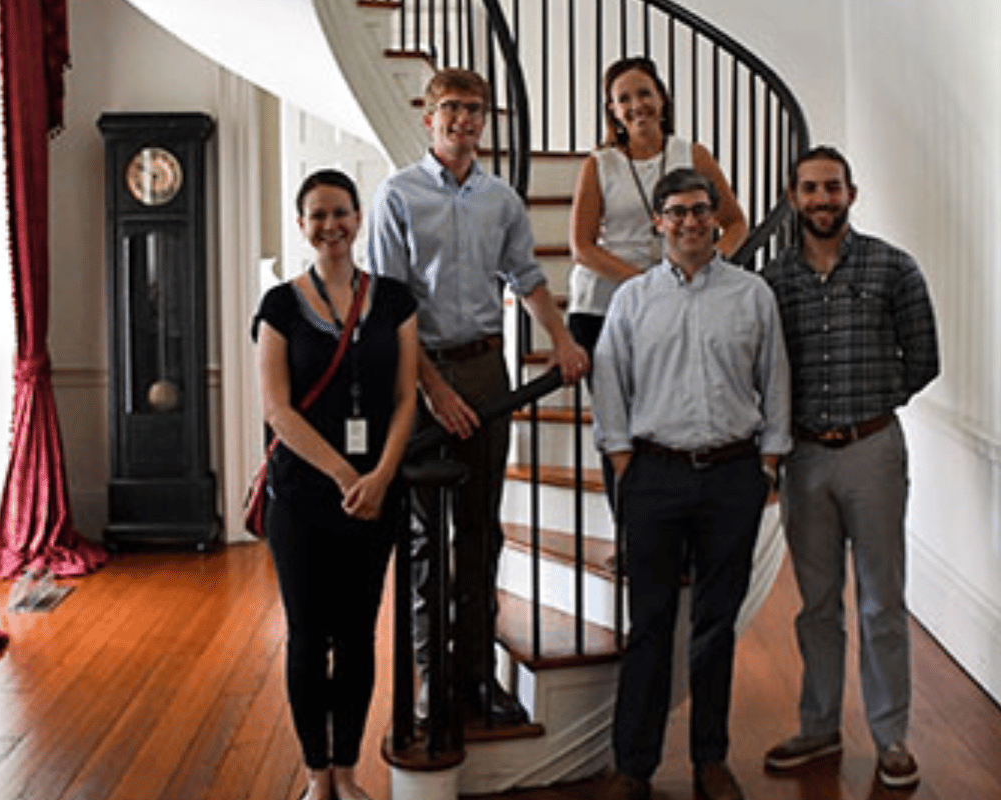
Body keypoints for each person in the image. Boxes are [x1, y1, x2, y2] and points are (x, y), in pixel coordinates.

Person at [368, 68, 588, 727]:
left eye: (475, 109)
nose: (463, 119)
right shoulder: (396, 196)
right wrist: (430, 389)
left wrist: (561, 339)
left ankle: (477, 678)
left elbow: (527, 276)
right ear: (429, 118)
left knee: (481, 532)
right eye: (451, 108)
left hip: (488, 369)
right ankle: (433, 678)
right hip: (421, 373)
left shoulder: (501, 200)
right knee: (428, 537)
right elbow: (388, 305)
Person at [593, 167, 791, 800]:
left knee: (715, 624)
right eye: (675, 211)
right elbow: (609, 387)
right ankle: (634, 766)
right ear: (657, 221)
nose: (688, 221)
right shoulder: (632, 299)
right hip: (654, 475)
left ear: (715, 218)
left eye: (700, 210)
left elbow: (776, 378)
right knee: (648, 625)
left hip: (733, 475)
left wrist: (768, 463)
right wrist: (624, 461)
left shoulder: (752, 294)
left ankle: (711, 758)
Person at [761, 146, 940, 790]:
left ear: (851, 194)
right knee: (816, 604)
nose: (822, 200)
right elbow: (763, 370)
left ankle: (891, 737)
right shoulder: (774, 282)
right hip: (804, 458)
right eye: (810, 189)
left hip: (873, 451)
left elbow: (924, 357)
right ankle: (818, 726)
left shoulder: (894, 267)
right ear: (793, 198)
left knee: (882, 600)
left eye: (832, 188)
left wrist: (871, 401)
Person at [254, 169, 419, 800]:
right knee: (307, 635)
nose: (331, 226)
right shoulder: (278, 306)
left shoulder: (396, 300)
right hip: (301, 497)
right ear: (303, 226)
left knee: (356, 635)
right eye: (317, 215)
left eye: (341, 213)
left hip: (375, 495)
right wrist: (348, 473)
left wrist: (380, 475)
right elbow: (278, 409)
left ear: (358, 219)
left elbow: (407, 397)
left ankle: (346, 770)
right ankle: (314, 772)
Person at [568, 55, 747, 379]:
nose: (637, 105)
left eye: (644, 93)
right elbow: (582, 247)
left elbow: (735, 223)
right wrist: (649, 284)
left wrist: (708, 267)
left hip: (674, 302)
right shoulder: (599, 164)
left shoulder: (692, 154)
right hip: (604, 305)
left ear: (662, 98)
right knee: (617, 416)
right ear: (613, 111)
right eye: (624, 99)